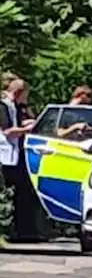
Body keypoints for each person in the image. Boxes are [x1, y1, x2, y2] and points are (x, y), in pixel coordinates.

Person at [2, 78, 41, 241]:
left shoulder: (14, 107)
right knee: (8, 193)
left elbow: (17, 122)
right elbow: (7, 131)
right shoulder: (2, 106)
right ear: (19, 92)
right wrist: (26, 129)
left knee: (20, 192)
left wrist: (31, 122)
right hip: (4, 156)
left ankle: (23, 230)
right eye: (26, 95)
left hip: (14, 155)